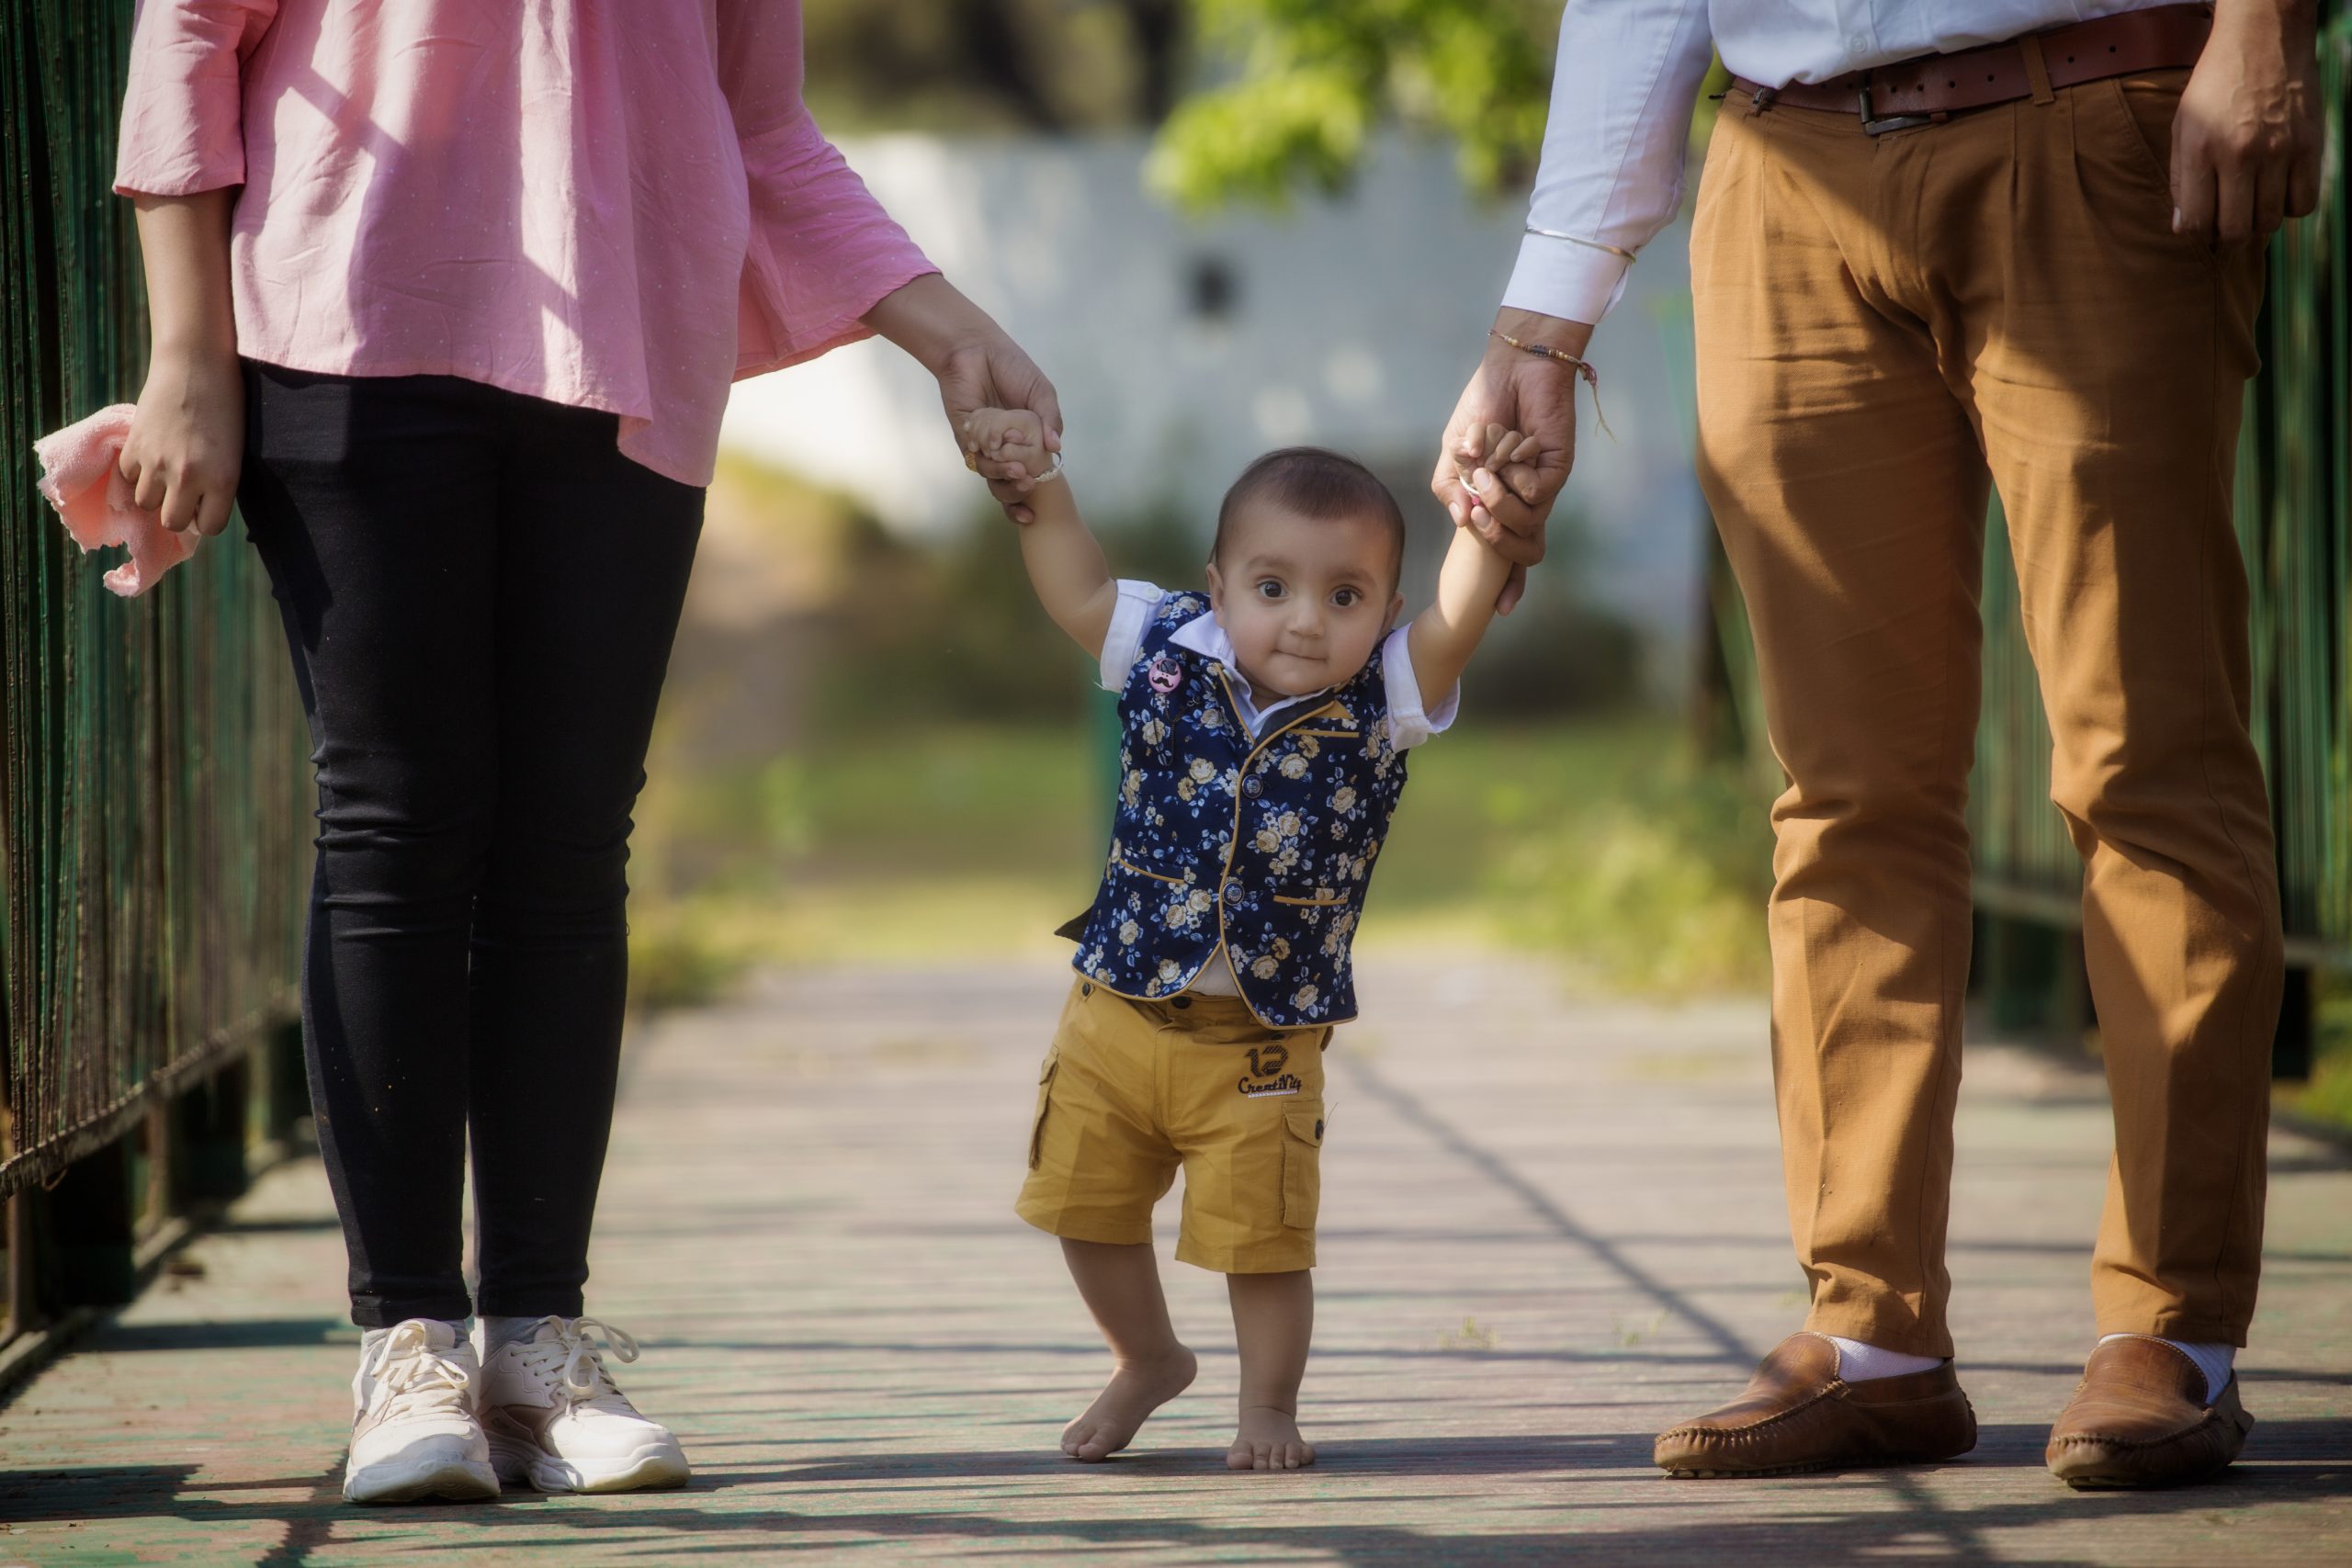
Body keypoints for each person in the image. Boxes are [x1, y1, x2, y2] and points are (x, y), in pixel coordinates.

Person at [111, 0, 1057, 1505]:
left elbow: (760, 123)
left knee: (566, 844)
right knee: (395, 823)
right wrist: (184, 350)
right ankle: (408, 1344)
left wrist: (950, 326)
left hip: (629, 341)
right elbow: (186, 35)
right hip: (345, 318)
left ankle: (536, 1346)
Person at [1438, 0, 2319, 1488]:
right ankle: (1871, 1335)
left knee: (2144, 759)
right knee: (1841, 793)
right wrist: (1544, 316)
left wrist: (2265, 19)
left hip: (2090, 114)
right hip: (1783, 165)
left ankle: (2171, 1324)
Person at [966, 407, 1531, 1469]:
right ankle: (1147, 1359)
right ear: (1218, 587)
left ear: (1387, 613)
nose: (1306, 621)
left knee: (1262, 1244)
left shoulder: (1386, 696)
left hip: (1260, 1045)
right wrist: (1037, 483)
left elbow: (1459, 617)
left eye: (1344, 596)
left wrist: (1487, 519)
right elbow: (1076, 586)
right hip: (1116, 1013)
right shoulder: (1166, 646)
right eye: (1272, 588)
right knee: (1083, 1209)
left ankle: (1267, 1405)